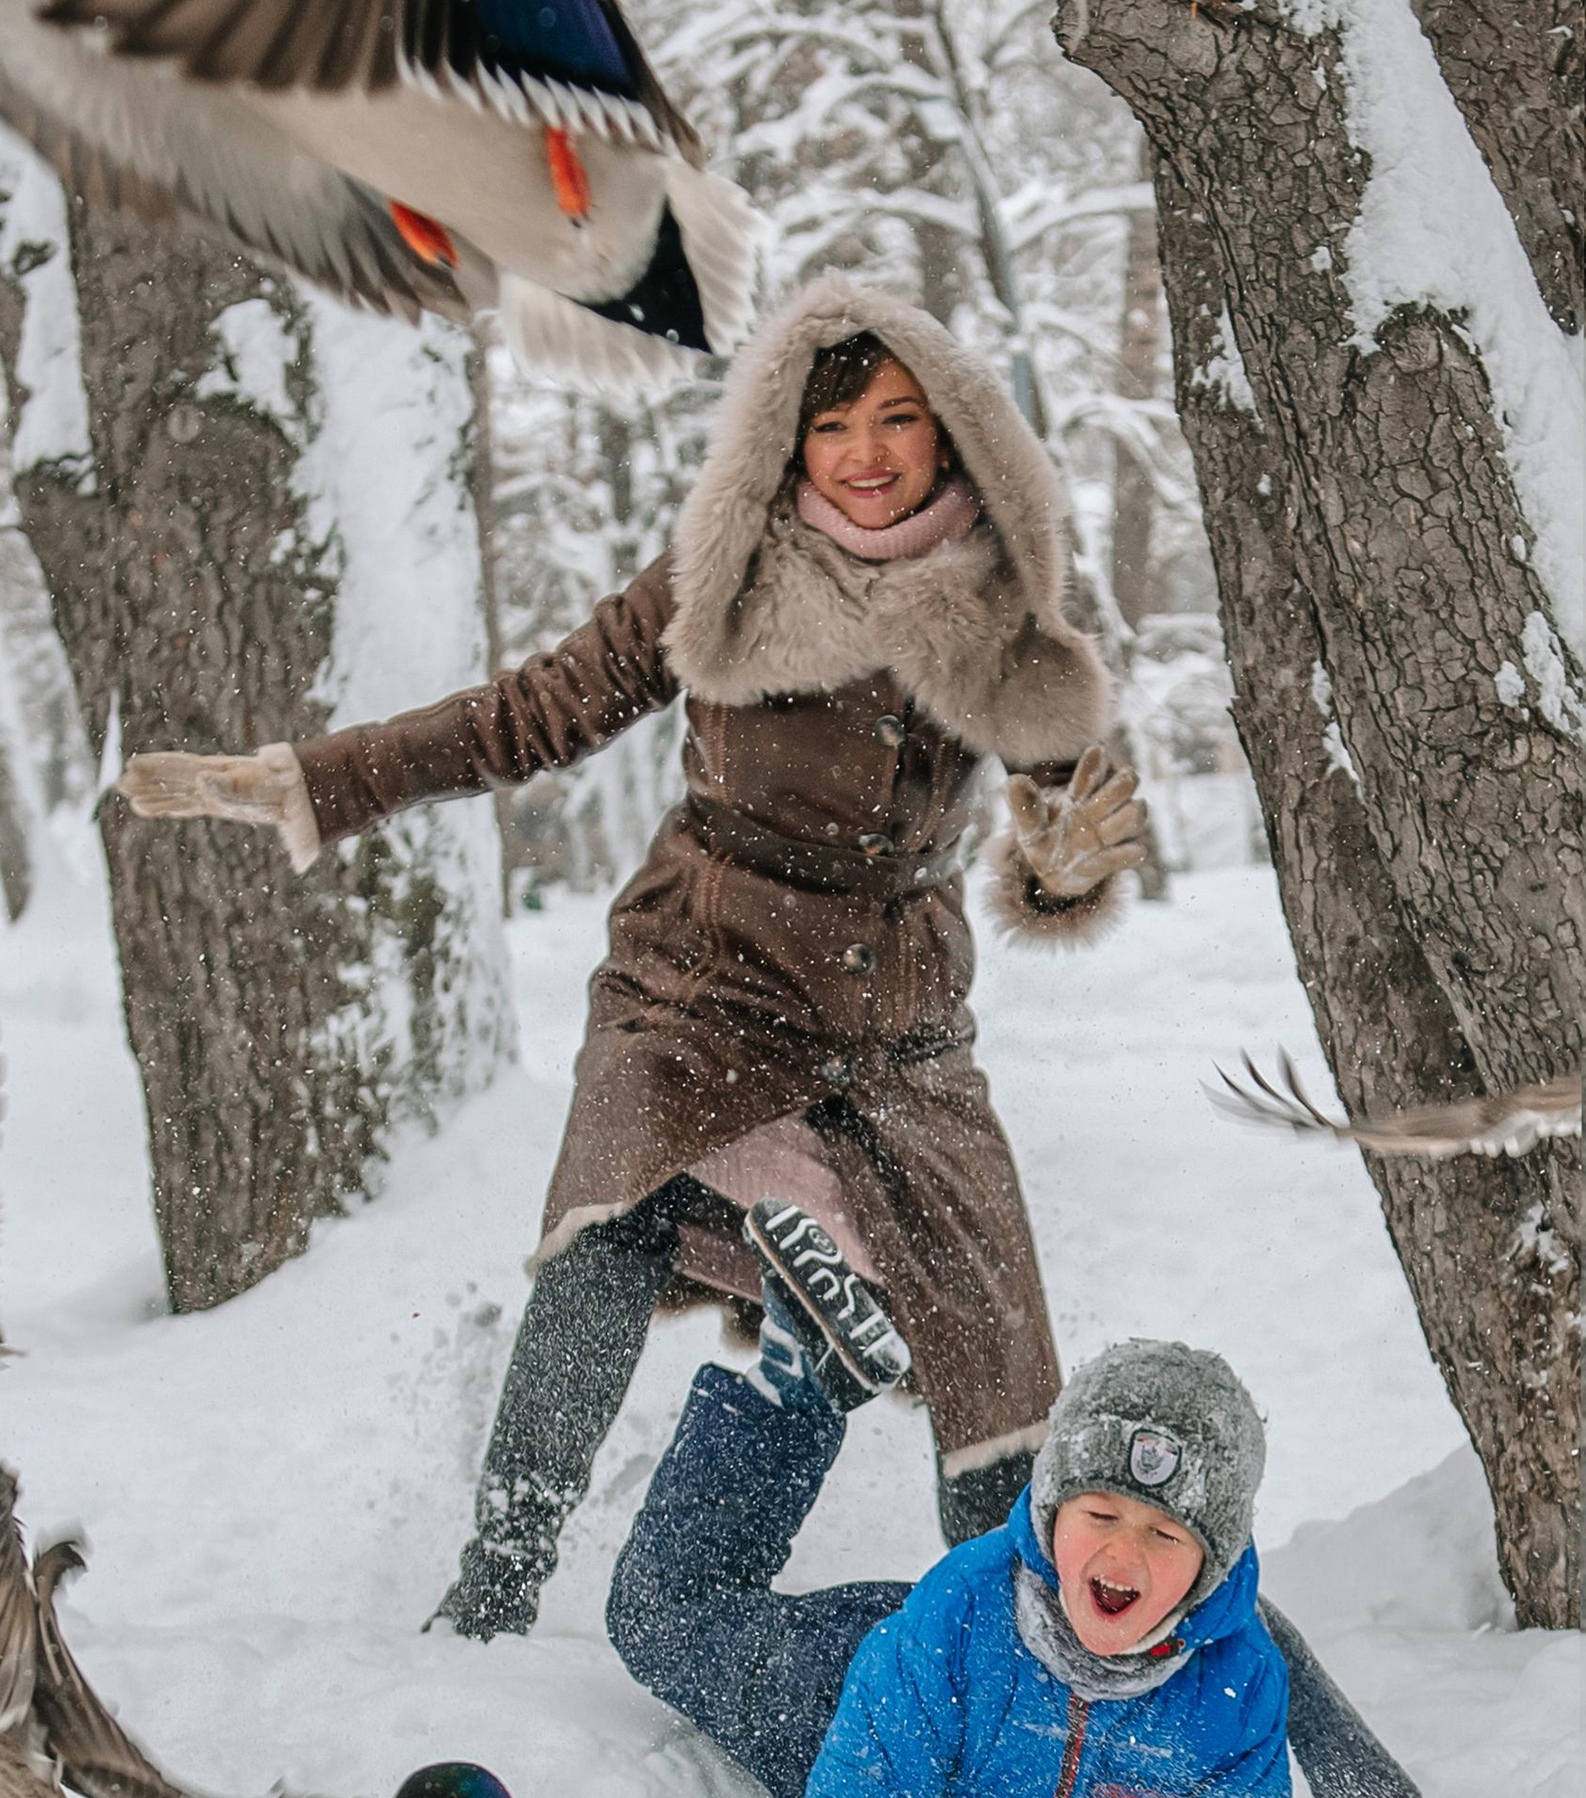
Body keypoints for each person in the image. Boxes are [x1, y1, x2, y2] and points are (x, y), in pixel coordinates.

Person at [123, 271, 1140, 1635]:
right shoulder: (725, 575)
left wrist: (1057, 868)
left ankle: (1033, 1639)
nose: (869, 456)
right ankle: (494, 1587)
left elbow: (1070, 803)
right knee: (609, 1224)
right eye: (834, 428)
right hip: (705, 974)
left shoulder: (1007, 610)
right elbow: (530, 715)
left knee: (996, 1357)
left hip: (894, 1016)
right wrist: (319, 779)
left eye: (899, 421)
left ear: (952, 433)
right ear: (788, 442)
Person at [613, 1338, 1295, 1798]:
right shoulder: (962, 1609)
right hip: (837, 1698)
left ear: (1213, 1565)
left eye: (1165, 1534)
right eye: (1100, 1514)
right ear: (1053, 1511)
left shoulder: (1235, 1691)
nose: (1122, 1556)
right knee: (663, 1615)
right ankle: (795, 1381)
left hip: (955, 1728)